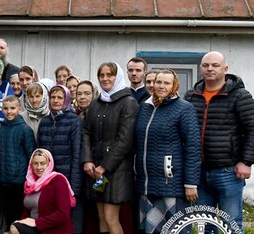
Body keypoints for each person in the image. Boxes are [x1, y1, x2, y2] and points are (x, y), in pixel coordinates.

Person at [184, 51, 254, 233]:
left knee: (232, 224)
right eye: (206, 65)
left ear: (225, 69)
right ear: (201, 69)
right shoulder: (191, 96)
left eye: (215, 65)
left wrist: (246, 162)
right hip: (198, 173)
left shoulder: (240, 95)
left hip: (228, 172)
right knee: (204, 225)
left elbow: (252, 129)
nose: (210, 69)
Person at [136, 69, 200, 234]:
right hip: (147, 184)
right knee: (151, 230)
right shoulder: (144, 107)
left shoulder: (184, 108)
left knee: (175, 229)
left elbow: (193, 147)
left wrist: (191, 184)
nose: (161, 86)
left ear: (174, 86)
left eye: (166, 83)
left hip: (171, 183)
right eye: (158, 82)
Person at [82, 62, 138, 234]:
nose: (105, 78)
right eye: (102, 75)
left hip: (116, 170)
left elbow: (124, 140)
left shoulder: (128, 102)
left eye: (110, 75)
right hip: (95, 169)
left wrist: (104, 166)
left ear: (118, 77)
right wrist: (87, 160)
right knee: (101, 216)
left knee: (110, 217)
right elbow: (86, 132)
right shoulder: (96, 102)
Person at [37, 85, 83, 233]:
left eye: (60, 97)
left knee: (69, 220)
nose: (56, 101)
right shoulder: (44, 121)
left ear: (67, 99)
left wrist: (74, 186)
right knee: (51, 218)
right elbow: (39, 152)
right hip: (48, 179)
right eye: (53, 97)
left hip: (67, 178)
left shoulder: (74, 121)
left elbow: (77, 154)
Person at [8, 149, 75, 234]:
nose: (39, 167)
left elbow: (63, 213)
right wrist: (22, 222)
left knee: (14, 229)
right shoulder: (29, 183)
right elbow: (26, 211)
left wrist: (37, 223)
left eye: (42, 163)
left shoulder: (58, 181)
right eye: (35, 163)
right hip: (35, 227)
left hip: (53, 229)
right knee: (12, 228)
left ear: (49, 164)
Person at [0, 95, 36, 230]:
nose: (9, 112)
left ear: (19, 109)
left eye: (12, 108)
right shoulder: (0, 129)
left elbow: (31, 154)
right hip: (3, 179)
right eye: (6, 108)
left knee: (18, 214)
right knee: (7, 213)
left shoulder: (25, 129)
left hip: (19, 179)